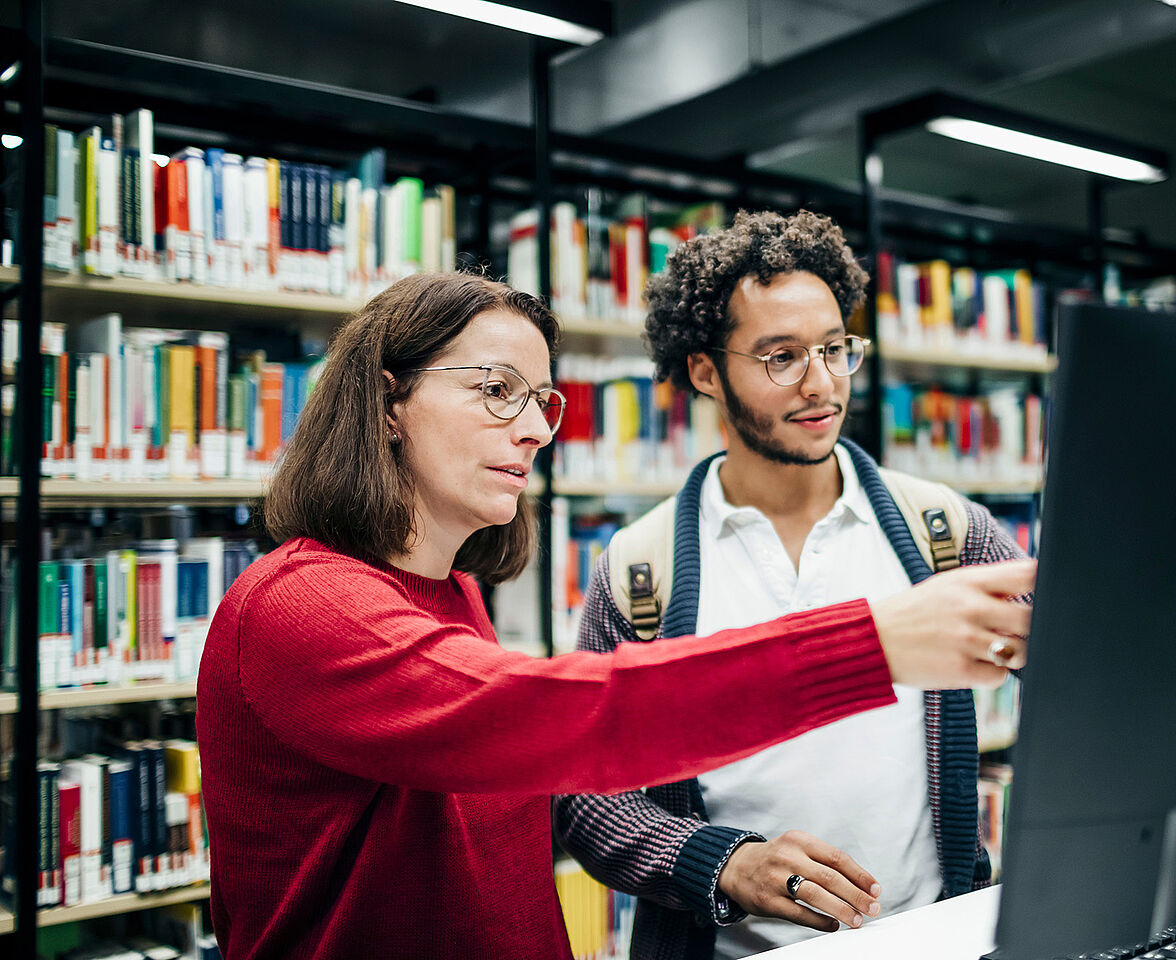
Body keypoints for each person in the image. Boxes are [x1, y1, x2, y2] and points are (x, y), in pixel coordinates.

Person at [194, 270, 1035, 960]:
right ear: (386, 404)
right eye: (497, 390)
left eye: (542, 402)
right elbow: (560, 721)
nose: (533, 429)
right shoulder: (298, 606)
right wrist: (870, 645)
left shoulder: (452, 595)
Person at [553, 210, 1034, 959]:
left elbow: (1084, 668)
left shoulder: (945, 532)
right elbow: (587, 798)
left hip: (930, 941)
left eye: (835, 349)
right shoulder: (638, 572)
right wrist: (728, 863)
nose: (821, 384)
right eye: (781, 357)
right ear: (705, 371)